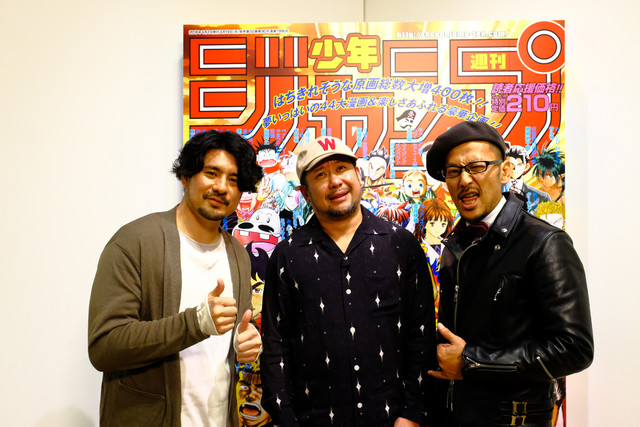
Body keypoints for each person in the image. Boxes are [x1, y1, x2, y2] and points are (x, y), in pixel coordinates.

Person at [88, 130, 265, 426]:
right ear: (185, 176)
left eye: (233, 180)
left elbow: (229, 341)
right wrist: (195, 323)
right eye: (211, 173)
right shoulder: (135, 241)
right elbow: (104, 347)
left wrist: (243, 344)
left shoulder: (238, 254)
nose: (222, 187)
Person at [424, 121, 594, 427]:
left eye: (477, 167)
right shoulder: (456, 245)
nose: (464, 179)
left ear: (504, 172)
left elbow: (575, 348)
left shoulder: (543, 243)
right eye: (453, 171)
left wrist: (472, 362)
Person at [260, 136, 437, 426]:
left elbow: (421, 333)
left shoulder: (400, 244)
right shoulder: (287, 255)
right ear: (305, 193)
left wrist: (413, 413)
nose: (335, 181)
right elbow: (275, 346)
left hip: (392, 419)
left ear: (358, 176)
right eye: (320, 175)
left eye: (342, 168)